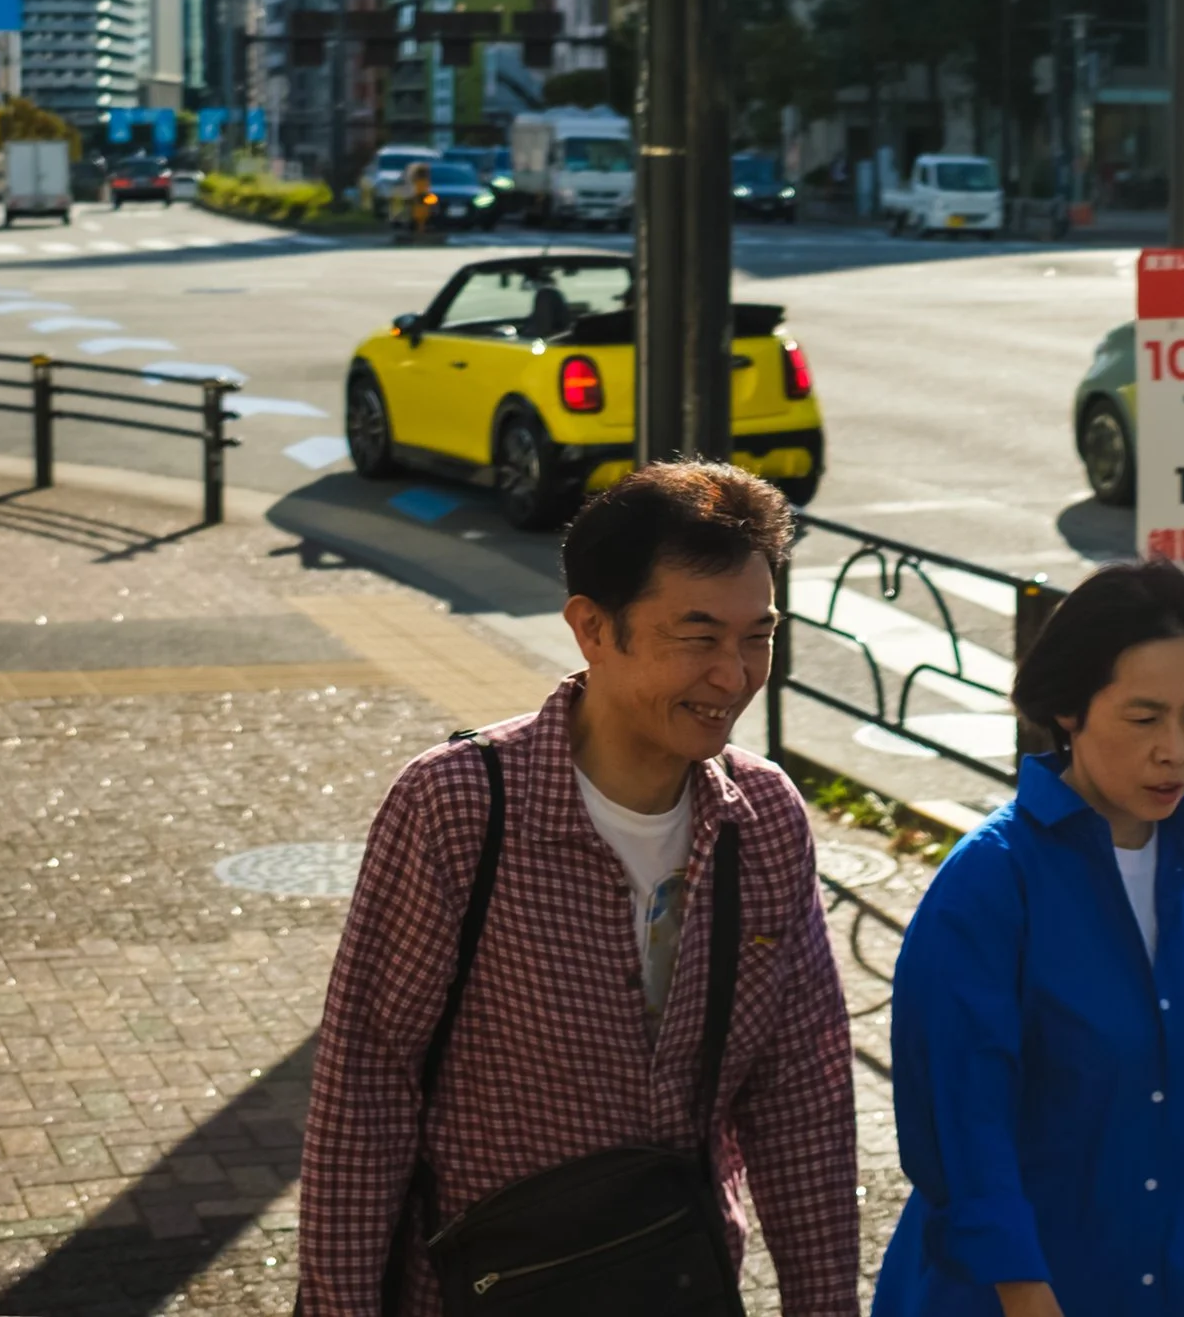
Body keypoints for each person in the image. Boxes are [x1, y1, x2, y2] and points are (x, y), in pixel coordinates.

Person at [299, 462, 858, 1316]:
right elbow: (365, 1089)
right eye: (697, 634)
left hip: (678, 1279)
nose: (733, 673)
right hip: (480, 1285)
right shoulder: (459, 806)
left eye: (757, 635)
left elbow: (801, 1097)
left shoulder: (765, 819)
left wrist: (823, 1305)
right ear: (592, 629)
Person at [872, 560, 1184, 1317]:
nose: (1176, 749)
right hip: (1029, 1289)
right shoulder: (988, 884)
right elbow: (963, 1133)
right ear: (1069, 712)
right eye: (1144, 717)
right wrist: (1024, 1293)